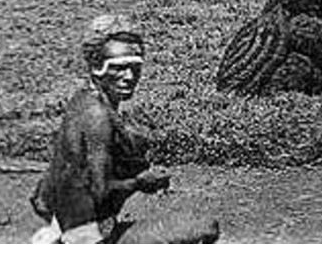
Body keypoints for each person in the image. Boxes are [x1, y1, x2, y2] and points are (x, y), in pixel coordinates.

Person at [29, 14, 217, 244]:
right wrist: (140, 182)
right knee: (203, 226)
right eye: (118, 68)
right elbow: (99, 192)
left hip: (66, 220)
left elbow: (43, 194)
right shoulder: (97, 117)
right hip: (86, 235)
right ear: (97, 67)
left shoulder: (83, 101)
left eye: (134, 68)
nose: (129, 77)